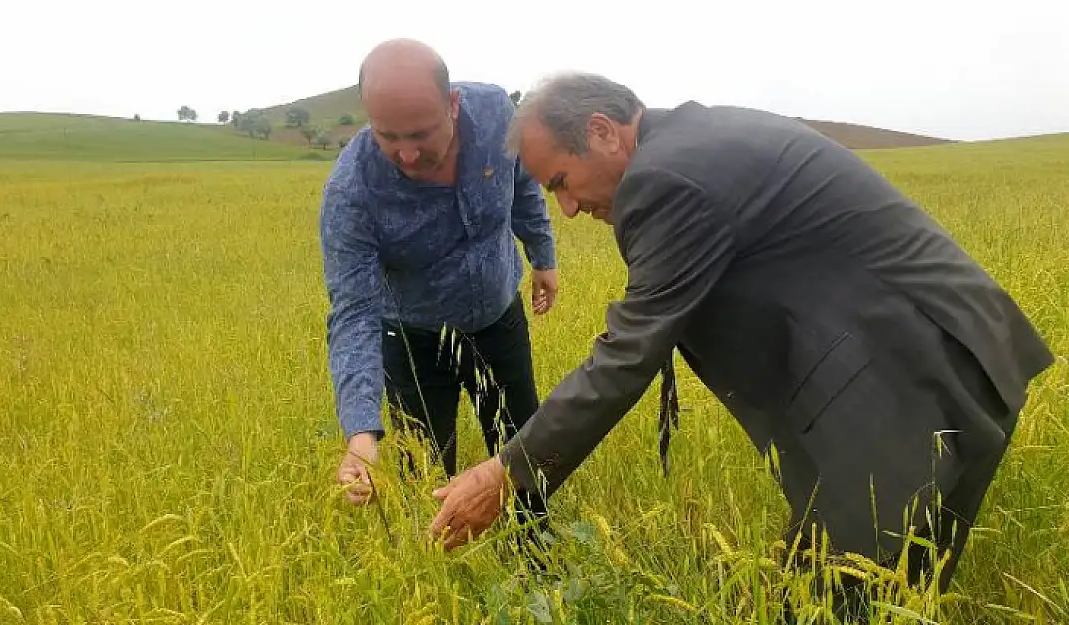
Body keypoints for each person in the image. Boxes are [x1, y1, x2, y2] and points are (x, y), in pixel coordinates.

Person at [428, 71, 1055, 615]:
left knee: (836, 602)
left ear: (602, 131)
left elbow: (627, 354)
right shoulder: (696, 140)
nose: (564, 208)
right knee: (892, 600)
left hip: (913, 383)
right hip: (951, 359)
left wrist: (505, 473)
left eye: (561, 180)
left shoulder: (664, 178)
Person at [319, 40, 558, 546]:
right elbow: (354, 312)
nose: (406, 152)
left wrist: (542, 254)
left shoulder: (494, 113)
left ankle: (535, 553)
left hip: (498, 315)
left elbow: (522, 182)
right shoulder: (352, 193)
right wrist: (361, 432)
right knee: (423, 470)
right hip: (414, 338)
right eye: (388, 136)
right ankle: (439, 575)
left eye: (421, 134)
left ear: (452, 105)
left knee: (521, 446)